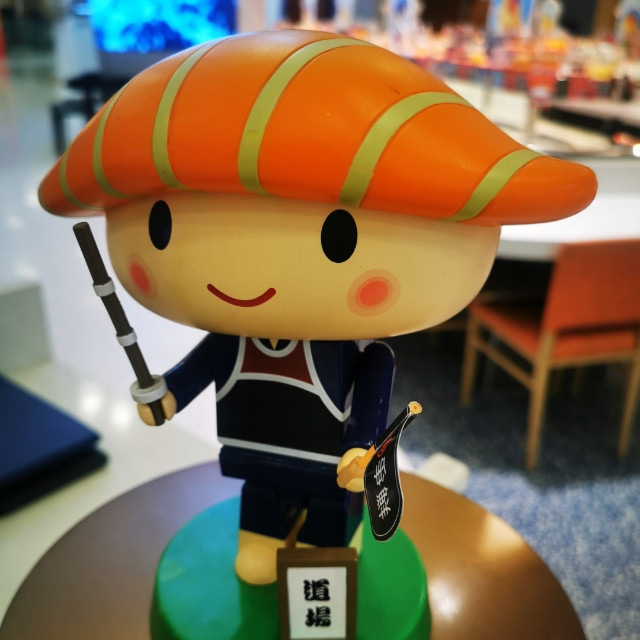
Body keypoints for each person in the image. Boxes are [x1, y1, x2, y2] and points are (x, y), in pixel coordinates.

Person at [38, 29, 596, 585]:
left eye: (339, 236)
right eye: (161, 224)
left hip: (328, 464)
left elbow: (370, 402)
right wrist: (167, 396)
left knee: (326, 531)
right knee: (261, 507)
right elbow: (198, 370)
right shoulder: (230, 340)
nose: (245, 271)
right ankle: (262, 536)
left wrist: (360, 448)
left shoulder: (365, 354)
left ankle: (327, 541)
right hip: (254, 447)